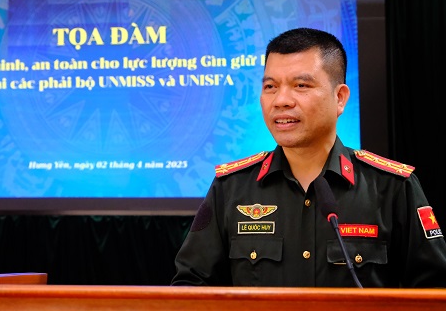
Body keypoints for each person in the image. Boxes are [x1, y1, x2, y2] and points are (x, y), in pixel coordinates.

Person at [171, 27, 446, 287]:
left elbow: (434, 293)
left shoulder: (391, 187)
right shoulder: (231, 188)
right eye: (270, 87)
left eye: (301, 85)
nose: (281, 100)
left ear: (340, 98)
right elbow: (190, 289)